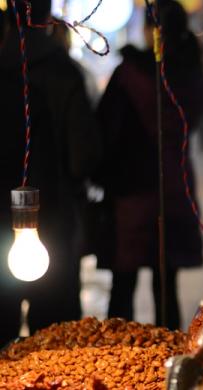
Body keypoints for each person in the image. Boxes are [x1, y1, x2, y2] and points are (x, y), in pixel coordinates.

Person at [95, 0, 203, 330]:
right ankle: (168, 362)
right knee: (166, 284)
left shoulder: (129, 75)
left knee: (122, 286)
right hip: (175, 188)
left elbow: (105, 132)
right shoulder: (193, 74)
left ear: (152, 30)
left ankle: (117, 363)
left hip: (132, 195)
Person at [0, 0, 101, 343]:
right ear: (48, 17)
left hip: (2, 229)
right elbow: (82, 158)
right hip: (55, 224)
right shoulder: (66, 72)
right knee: (55, 342)